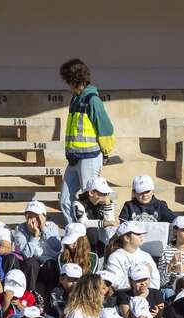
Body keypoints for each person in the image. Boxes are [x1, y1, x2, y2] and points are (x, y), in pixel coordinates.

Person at [58, 58, 115, 223]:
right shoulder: (75, 99)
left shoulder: (93, 100)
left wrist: (106, 151)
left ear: (74, 79)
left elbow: (106, 128)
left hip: (89, 158)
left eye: (68, 80)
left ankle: (96, 238)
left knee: (92, 201)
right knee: (65, 201)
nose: (67, 85)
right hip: (74, 158)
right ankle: (76, 236)